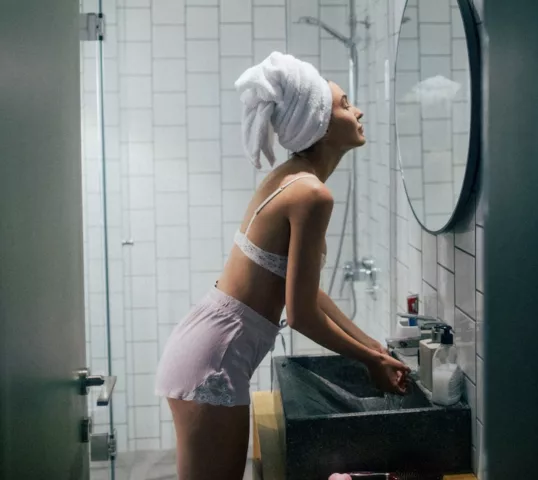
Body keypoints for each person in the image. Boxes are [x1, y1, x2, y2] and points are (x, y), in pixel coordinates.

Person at [155, 51, 410, 480]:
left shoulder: (288, 178)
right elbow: (302, 315)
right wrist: (368, 360)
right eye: (346, 104)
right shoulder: (311, 195)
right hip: (213, 359)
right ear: (320, 123)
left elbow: (303, 289)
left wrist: (371, 344)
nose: (359, 109)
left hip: (204, 344)